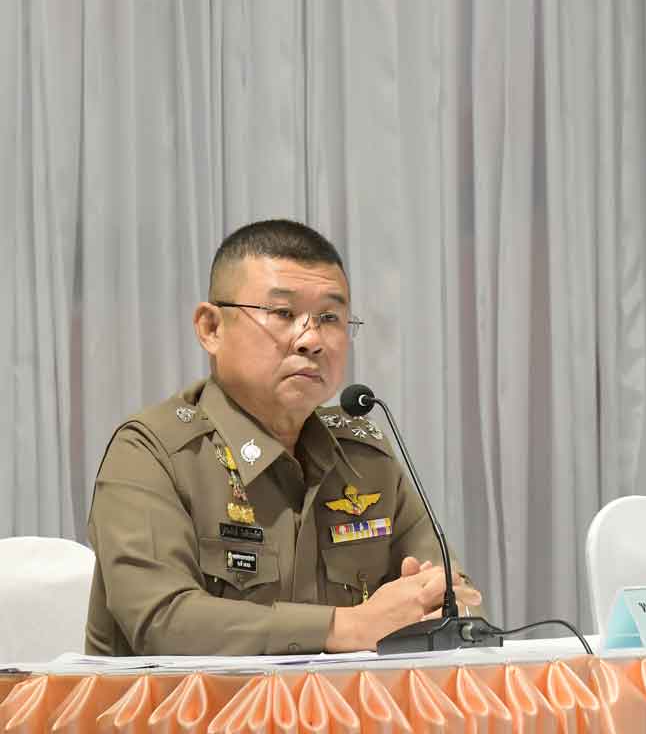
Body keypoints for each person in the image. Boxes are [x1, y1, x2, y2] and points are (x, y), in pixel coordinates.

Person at [86, 219, 480, 655]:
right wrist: (346, 627)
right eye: (283, 314)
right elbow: (161, 620)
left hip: (347, 718)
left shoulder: (365, 457)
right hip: (191, 718)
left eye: (330, 317)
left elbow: (449, 588)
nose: (311, 339)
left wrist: (441, 603)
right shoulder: (152, 452)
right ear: (211, 328)